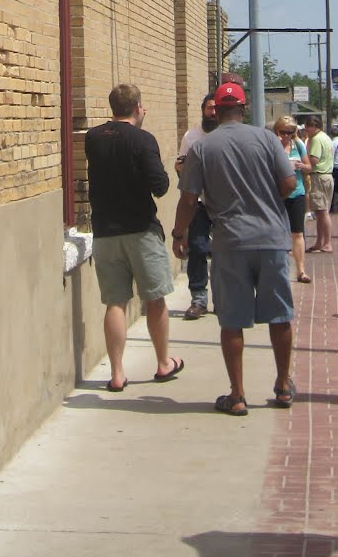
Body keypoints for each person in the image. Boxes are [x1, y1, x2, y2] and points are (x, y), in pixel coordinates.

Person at [171, 80, 296, 416]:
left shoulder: (202, 148)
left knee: (231, 320)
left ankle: (237, 395)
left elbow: (188, 198)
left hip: (229, 241)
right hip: (271, 239)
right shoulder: (268, 139)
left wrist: (179, 234)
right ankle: (283, 385)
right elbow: (289, 184)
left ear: (217, 110)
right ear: (242, 108)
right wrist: (266, 199)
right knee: (280, 315)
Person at [85, 83, 184, 392]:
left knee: (115, 302)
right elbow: (160, 186)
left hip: (104, 231)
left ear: (112, 107)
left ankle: (116, 373)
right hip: (141, 229)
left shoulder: (93, 138)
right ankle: (163, 362)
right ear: (138, 107)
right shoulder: (143, 140)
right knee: (154, 298)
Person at [175, 94, 217, 319]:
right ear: (202, 110)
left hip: (223, 203)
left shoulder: (226, 136)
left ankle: (222, 298)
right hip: (198, 202)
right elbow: (180, 167)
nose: (212, 113)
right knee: (198, 248)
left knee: (223, 252)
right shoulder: (191, 136)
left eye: (216, 109)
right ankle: (198, 298)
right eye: (209, 108)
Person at [273, 117, 312, 283]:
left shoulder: (298, 145)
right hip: (277, 194)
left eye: (291, 132)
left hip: (297, 193)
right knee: (278, 232)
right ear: (277, 131)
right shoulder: (272, 146)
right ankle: (279, 270)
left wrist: (300, 166)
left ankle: (301, 270)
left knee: (298, 232)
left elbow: (309, 166)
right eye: (283, 132)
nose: (287, 136)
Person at [302, 111, 335, 252]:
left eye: (307, 127)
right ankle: (320, 242)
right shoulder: (326, 137)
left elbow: (314, 160)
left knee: (322, 211)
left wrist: (302, 164)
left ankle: (326, 242)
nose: (306, 130)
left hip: (319, 176)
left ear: (313, 126)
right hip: (327, 176)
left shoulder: (316, 139)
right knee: (321, 211)